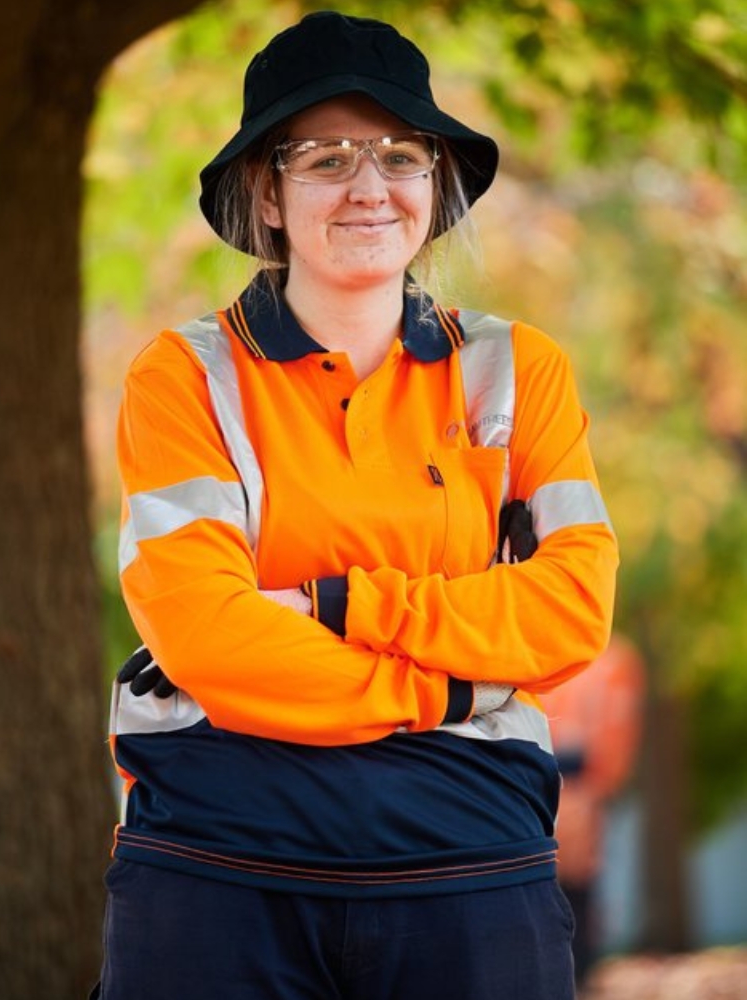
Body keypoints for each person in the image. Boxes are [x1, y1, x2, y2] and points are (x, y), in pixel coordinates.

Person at [91, 11, 619, 1000]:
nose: (370, 187)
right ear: (268, 190)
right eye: (327, 157)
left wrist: (343, 604)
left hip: (469, 861)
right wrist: (454, 687)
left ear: (433, 181)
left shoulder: (517, 367)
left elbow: (569, 611)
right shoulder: (183, 377)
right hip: (221, 866)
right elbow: (211, 638)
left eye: (399, 155)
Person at [540, 634, 645, 988]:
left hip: (581, 787)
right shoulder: (538, 649)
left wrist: (599, 779)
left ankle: (579, 974)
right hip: (539, 787)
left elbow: (615, 738)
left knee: (579, 882)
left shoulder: (614, 661)